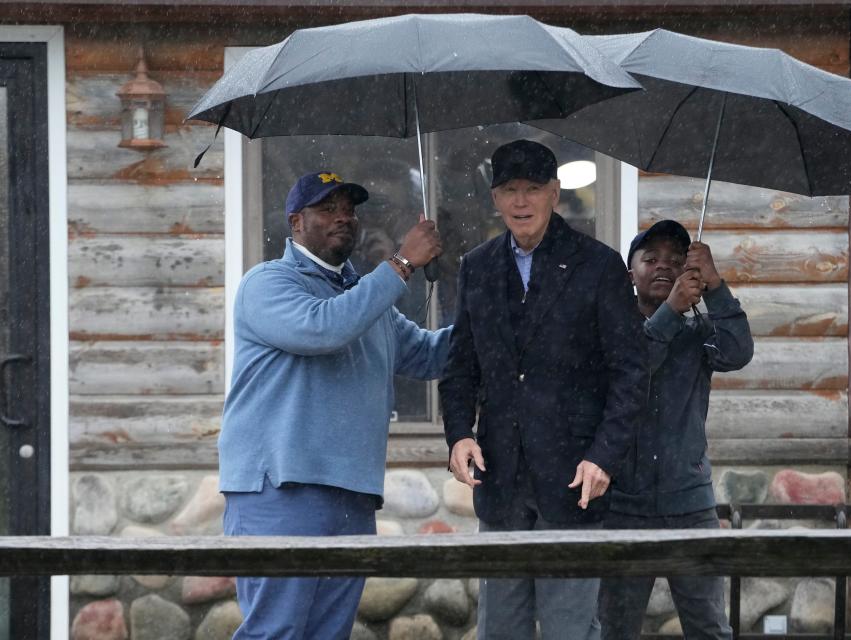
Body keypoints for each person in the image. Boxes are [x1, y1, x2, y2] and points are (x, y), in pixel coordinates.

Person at [219, 170, 450, 640]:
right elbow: (321, 330)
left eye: (349, 210)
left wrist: (504, 315)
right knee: (276, 632)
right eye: (327, 209)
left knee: (328, 634)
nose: (343, 218)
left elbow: (428, 355)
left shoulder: (366, 297)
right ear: (295, 222)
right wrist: (403, 262)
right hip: (281, 490)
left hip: (351, 492)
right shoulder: (267, 283)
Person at [440, 139, 648, 640]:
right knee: (500, 628)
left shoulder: (598, 265)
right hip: (501, 474)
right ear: (494, 198)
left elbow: (631, 372)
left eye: (533, 189)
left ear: (555, 193)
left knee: (569, 629)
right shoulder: (478, 267)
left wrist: (604, 456)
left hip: (574, 477)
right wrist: (458, 435)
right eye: (509, 189)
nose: (521, 201)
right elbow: (460, 365)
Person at [598, 220, 754, 640]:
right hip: (621, 506)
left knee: (708, 626)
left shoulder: (698, 330)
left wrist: (717, 286)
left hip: (689, 501)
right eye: (650, 259)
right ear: (630, 273)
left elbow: (738, 352)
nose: (663, 267)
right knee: (615, 627)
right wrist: (670, 311)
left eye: (675, 260)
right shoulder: (611, 326)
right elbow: (632, 370)